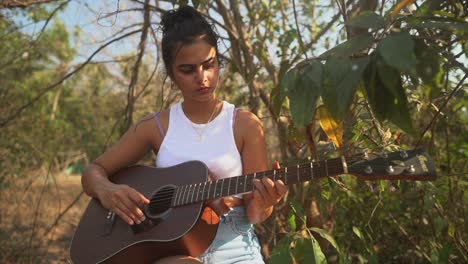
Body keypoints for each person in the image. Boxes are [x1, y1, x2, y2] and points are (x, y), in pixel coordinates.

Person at [81, 5, 287, 264]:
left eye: (209, 65)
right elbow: (93, 171)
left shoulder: (245, 124)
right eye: (188, 70)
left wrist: (267, 202)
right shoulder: (156, 126)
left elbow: (256, 214)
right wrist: (106, 190)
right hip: (172, 250)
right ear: (171, 74)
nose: (202, 78)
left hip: (234, 244)